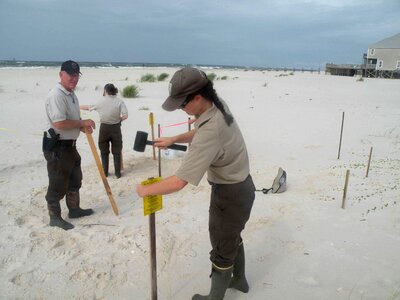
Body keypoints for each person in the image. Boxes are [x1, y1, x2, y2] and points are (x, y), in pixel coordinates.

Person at [135, 67, 255, 300]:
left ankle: (215, 297)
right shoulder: (217, 105)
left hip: (230, 194)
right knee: (232, 237)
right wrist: (174, 139)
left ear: (197, 97)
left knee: (222, 247)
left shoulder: (212, 129)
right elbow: (200, 130)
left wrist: (144, 190)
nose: (181, 109)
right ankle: (239, 280)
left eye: (182, 104)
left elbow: (179, 181)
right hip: (242, 187)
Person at [43, 60, 95, 230]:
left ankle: (74, 209)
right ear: (61, 74)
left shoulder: (71, 94)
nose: (74, 78)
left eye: (76, 75)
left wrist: (82, 128)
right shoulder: (56, 95)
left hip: (70, 146)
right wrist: (82, 122)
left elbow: (71, 121)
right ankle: (55, 217)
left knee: (75, 179)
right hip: (57, 146)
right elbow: (59, 123)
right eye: (70, 74)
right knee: (58, 182)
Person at [80, 83, 128, 178]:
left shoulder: (101, 101)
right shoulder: (119, 101)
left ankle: (105, 173)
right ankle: (117, 173)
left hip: (104, 128)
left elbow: (89, 107)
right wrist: (119, 119)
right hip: (116, 128)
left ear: (105, 91)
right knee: (117, 151)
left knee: (104, 151)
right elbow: (125, 116)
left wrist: (77, 107)